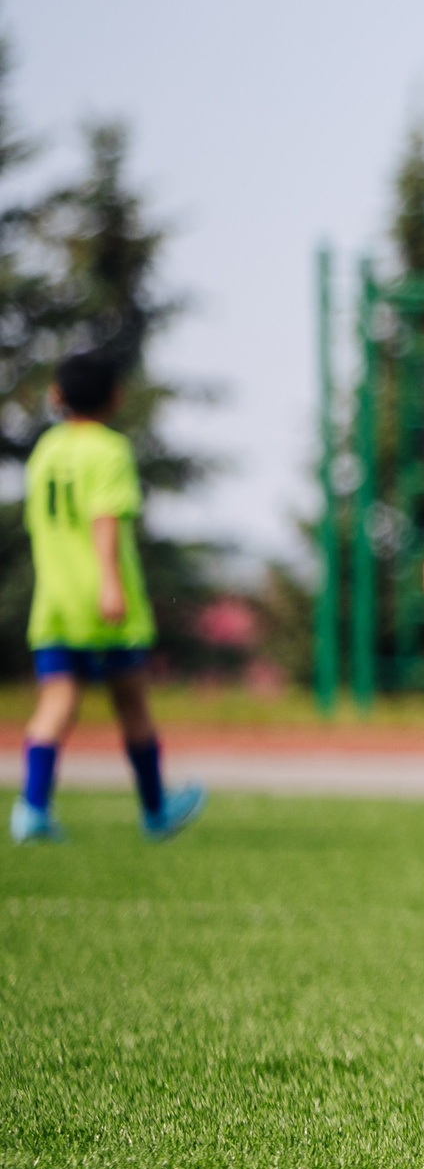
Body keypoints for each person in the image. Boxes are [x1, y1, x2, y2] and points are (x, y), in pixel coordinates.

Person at [11, 351, 205, 844]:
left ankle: (31, 809)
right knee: (132, 703)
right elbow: (104, 518)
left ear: (58, 395)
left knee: (57, 701)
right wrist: (111, 583)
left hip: (55, 600)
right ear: (115, 397)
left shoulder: (46, 450)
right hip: (103, 599)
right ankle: (156, 811)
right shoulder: (109, 450)